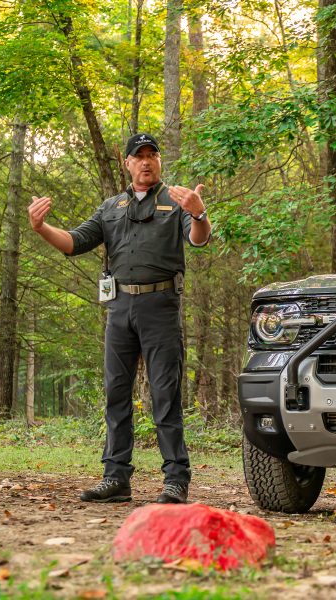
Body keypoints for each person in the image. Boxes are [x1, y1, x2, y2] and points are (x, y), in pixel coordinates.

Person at [27, 133, 211, 504]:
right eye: (138, 156)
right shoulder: (111, 206)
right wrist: (41, 228)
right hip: (120, 309)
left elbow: (199, 239)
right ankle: (116, 477)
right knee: (116, 395)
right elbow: (75, 242)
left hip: (160, 306)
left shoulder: (176, 202)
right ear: (126, 163)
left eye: (152, 155)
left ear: (159, 162)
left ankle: (176, 479)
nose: (146, 162)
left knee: (165, 395)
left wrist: (198, 212)